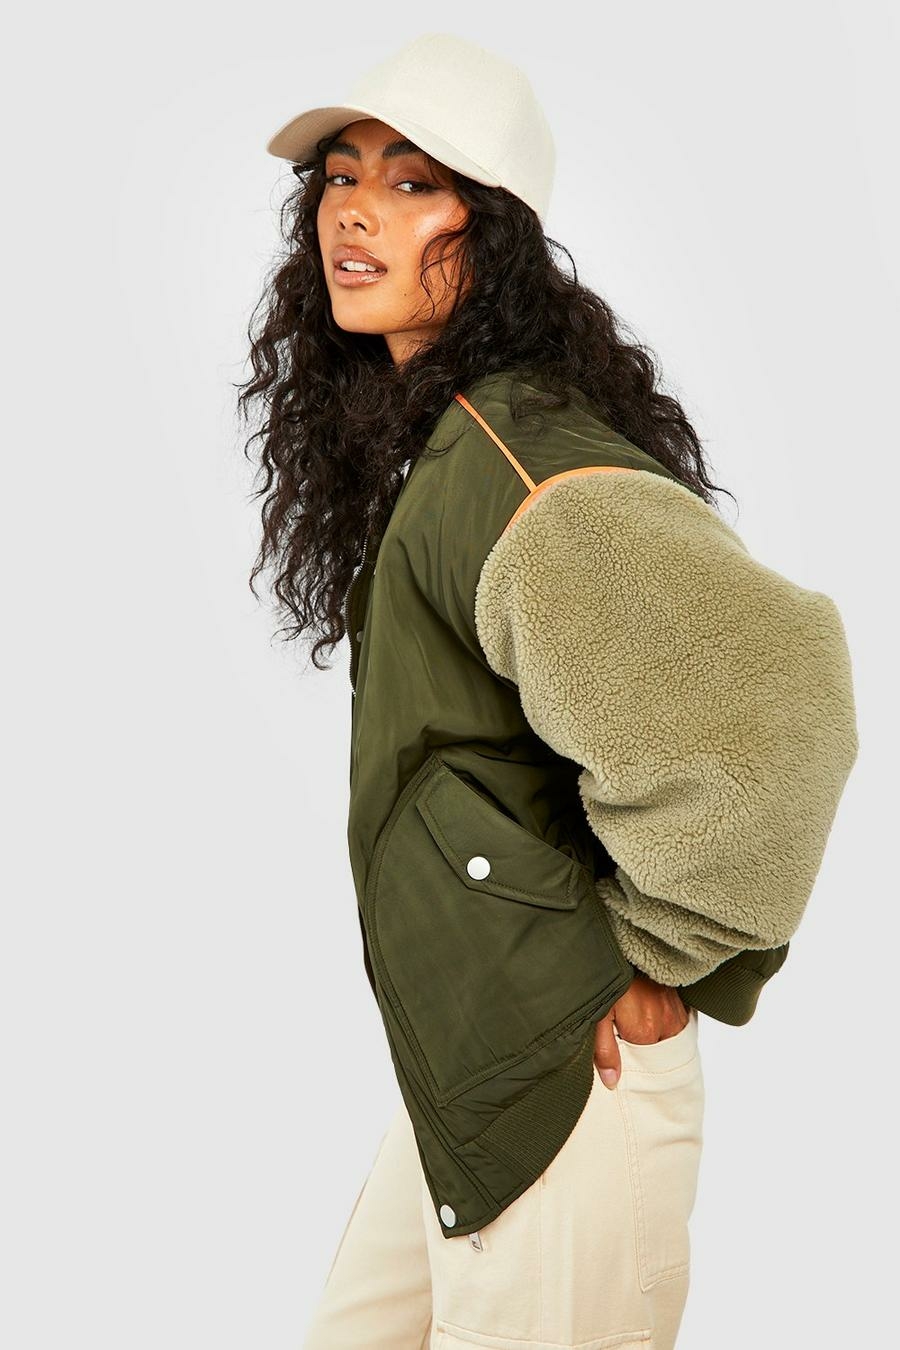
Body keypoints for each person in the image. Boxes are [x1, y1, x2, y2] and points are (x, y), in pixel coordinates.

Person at [238, 32, 859, 1350]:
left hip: (570, 1076)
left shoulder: (524, 467)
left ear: (495, 228)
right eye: (342, 176)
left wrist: (662, 952)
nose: (354, 209)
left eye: (413, 182)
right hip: (477, 1066)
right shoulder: (447, 444)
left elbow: (781, 709)